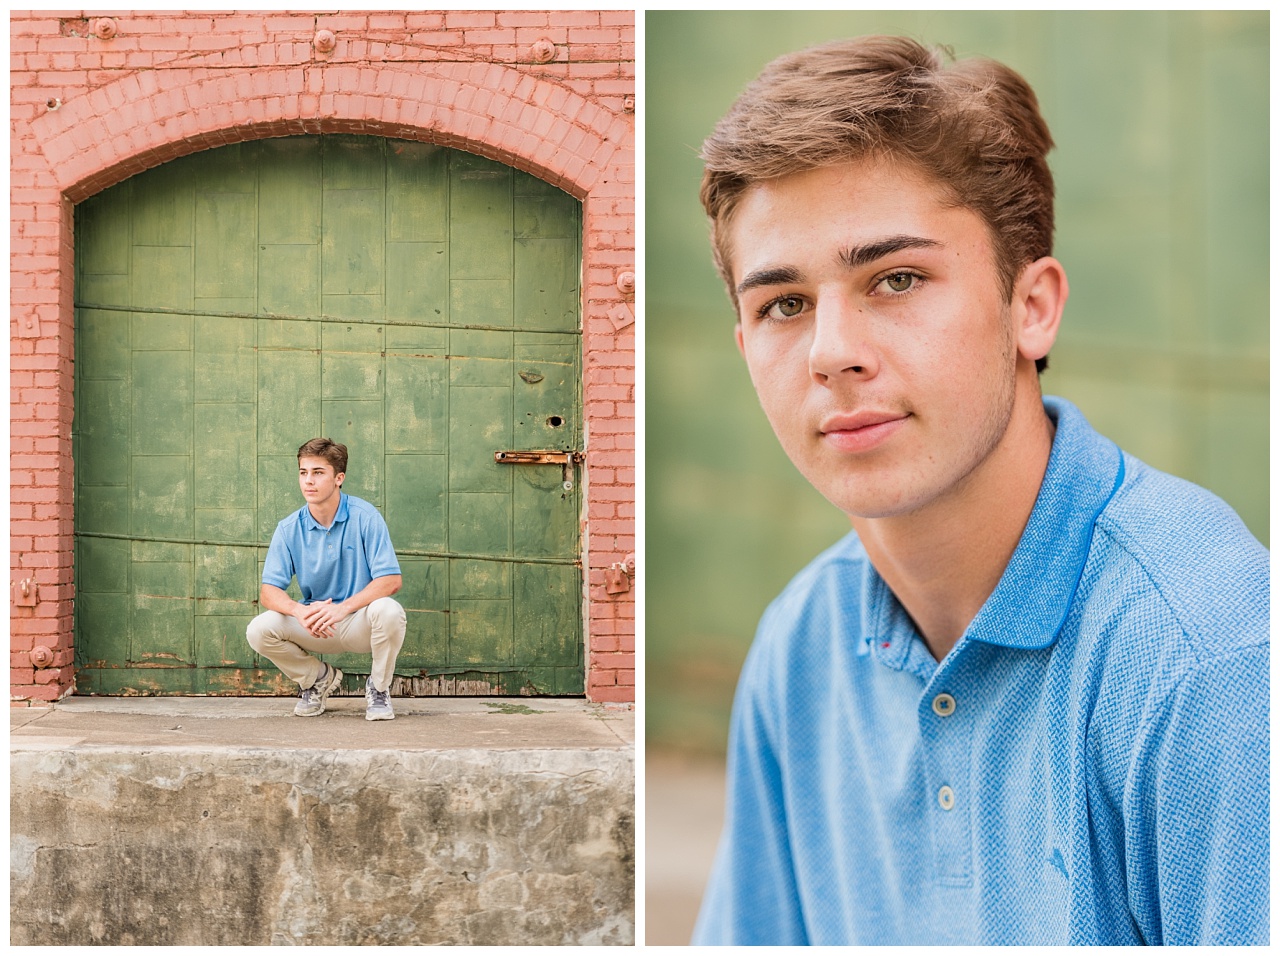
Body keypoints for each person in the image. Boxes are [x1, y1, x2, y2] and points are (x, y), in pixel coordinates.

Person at [691, 36, 1268, 945]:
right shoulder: (798, 648)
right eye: (784, 304)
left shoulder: (1207, 653)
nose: (831, 351)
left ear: (1030, 307)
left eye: (898, 278)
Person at [247, 438, 407, 721]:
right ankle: (317, 678)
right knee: (259, 629)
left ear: (338, 478)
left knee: (390, 611)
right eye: (303, 472)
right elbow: (269, 592)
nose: (308, 481)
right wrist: (300, 611)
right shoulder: (288, 528)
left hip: (359, 622)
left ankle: (379, 688)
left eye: (318, 472)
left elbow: (391, 580)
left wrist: (342, 608)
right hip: (316, 624)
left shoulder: (366, 517)